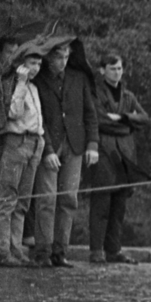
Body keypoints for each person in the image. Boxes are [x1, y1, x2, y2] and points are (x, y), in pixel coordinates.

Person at [30, 39, 98, 268]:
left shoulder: (78, 79)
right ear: (49, 57)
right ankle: (43, 251)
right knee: (46, 199)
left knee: (69, 198)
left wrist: (93, 145)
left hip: (76, 144)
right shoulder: (39, 80)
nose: (63, 62)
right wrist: (48, 150)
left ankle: (60, 251)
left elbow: (90, 114)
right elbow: (39, 119)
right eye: (59, 57)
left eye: (67, 57)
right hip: (49, 144)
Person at [89, 51, 150, 264]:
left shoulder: (128, 96)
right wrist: (126, 125)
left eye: (120, 68)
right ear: (102, 70)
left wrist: (124, 117)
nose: (117, 72)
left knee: (120, 204)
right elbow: (99, 120)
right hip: (105, 150)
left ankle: (114, 250)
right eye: (113, 68)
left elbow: (144, 119)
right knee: (102, 202)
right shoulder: (96, 92)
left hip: (126, 153)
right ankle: (96, 250)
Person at [0, 48, 45, 267]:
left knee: (22, 200)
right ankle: (2, 250)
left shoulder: (33, 88)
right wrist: (20, 82)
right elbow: (14, 113)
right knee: (7, 197)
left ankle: (15, 247)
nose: (36, 68)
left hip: (33, 142)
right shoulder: (12, 85)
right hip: (16, 142)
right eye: (32, 63)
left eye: (39, 64)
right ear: (21, 64)